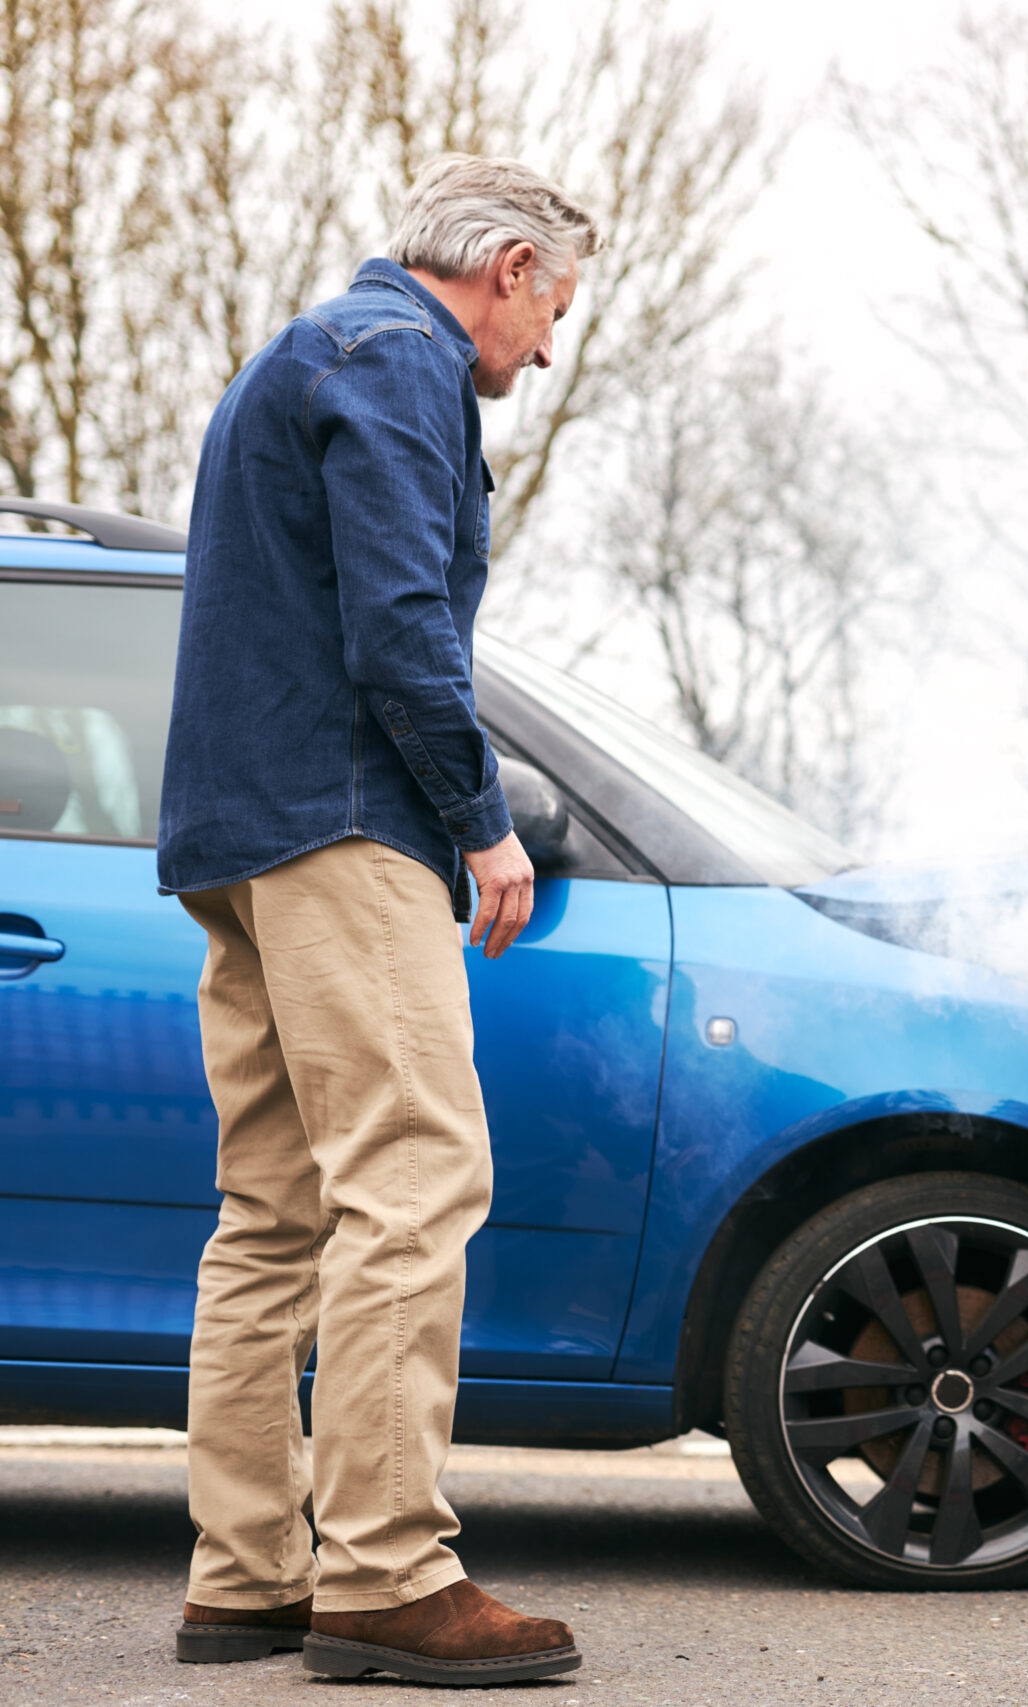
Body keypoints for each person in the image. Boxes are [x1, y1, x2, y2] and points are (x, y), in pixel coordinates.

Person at [156, 155, 602, 1684]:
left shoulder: (297, 353)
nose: (545, 348)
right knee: (416, 1177)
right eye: (552, 308)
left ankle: (247, 1575)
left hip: (235, 831)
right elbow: (401, 621)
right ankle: (386, 1573)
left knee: (272, 1211)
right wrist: (483, 821)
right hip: (345, 824)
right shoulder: (400, 359)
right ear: (504, 267)